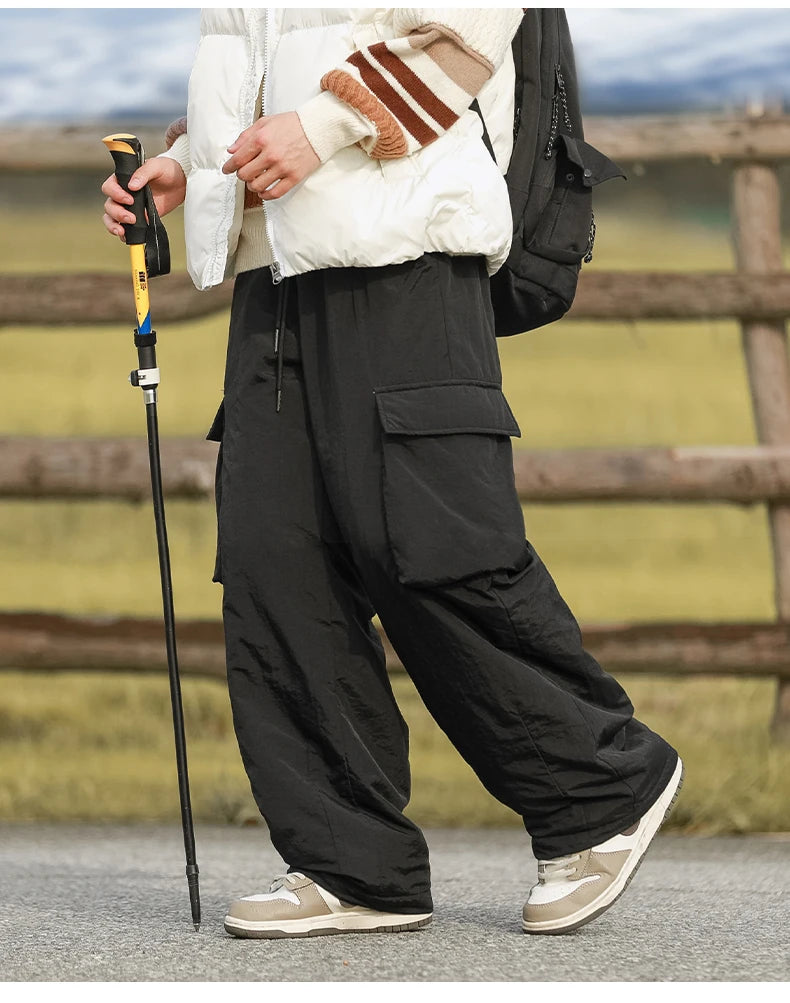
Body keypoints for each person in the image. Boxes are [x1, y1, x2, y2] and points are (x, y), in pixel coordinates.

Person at [102, 8, 683, 939]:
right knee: (276, 564)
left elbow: (469, 33)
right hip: (276, 270)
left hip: (406, 255)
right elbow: (267, 61)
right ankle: (352, 863)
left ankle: (601, 791)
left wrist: (324, 127)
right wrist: (191, 167)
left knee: (430, 547)